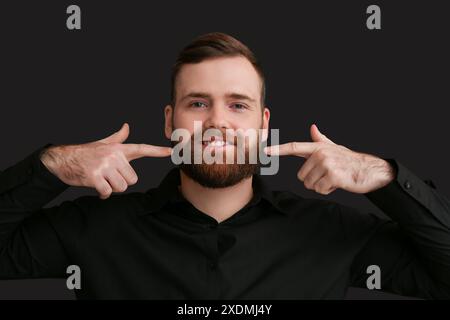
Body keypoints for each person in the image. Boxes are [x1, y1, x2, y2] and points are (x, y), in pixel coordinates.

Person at [0, 32, 449, 299]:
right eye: (198, 103)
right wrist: (53, 165)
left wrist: (386, 177)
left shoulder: (333, 233)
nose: (217, 122)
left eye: (238, 105)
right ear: (170, 120)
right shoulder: (93, 228)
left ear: (263, 122)